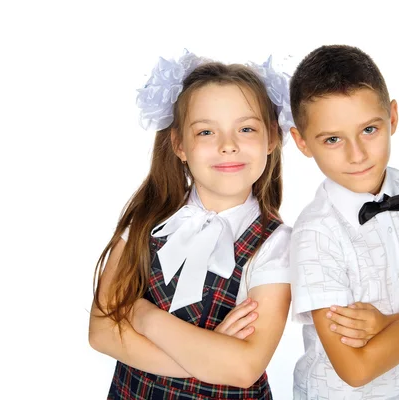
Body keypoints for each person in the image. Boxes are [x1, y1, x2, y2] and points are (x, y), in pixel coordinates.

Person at [88, 50, 294, 399]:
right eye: (206, 132)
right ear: (180, 144)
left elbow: (243, 369)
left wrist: (143, 316)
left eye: (246, 129)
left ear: (271, 139)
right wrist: (209, 359)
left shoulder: (277, 245)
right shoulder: (146, 219)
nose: (228, 146)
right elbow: (101, 332)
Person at [288, 44, 399, 399]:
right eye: (332, 139)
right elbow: (356, 369)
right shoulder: (316, 233)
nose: (356, 154)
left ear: (392, 118)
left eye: (369, 130)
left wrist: (386, 324)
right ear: (302, 142)